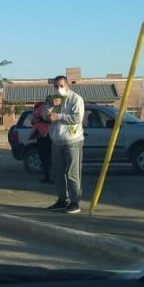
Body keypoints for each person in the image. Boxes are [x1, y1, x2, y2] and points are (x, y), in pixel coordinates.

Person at [45, 76, 85, 214]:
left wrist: (60, 116)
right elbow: (45, 116)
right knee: (58, 172)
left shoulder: (76, 99)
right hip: (57, 140)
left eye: (61, 86)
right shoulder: (53, 99)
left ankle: (75, 202)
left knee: (72, 174)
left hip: (72, 140)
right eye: (56, 86)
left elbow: (77, 118)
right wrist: (50, 106)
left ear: (68, 86)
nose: (58, 89)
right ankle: (62, 200)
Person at [31, 99, 54, 183]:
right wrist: (36, 120)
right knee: (44, 157)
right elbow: (33, 121)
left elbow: (50, 119)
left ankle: (49, 176)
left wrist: (39, 120)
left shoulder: (52, 109)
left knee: (48, 157)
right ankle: (47, 176)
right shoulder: (39, 108)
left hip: (48, 135)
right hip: (41, 135)